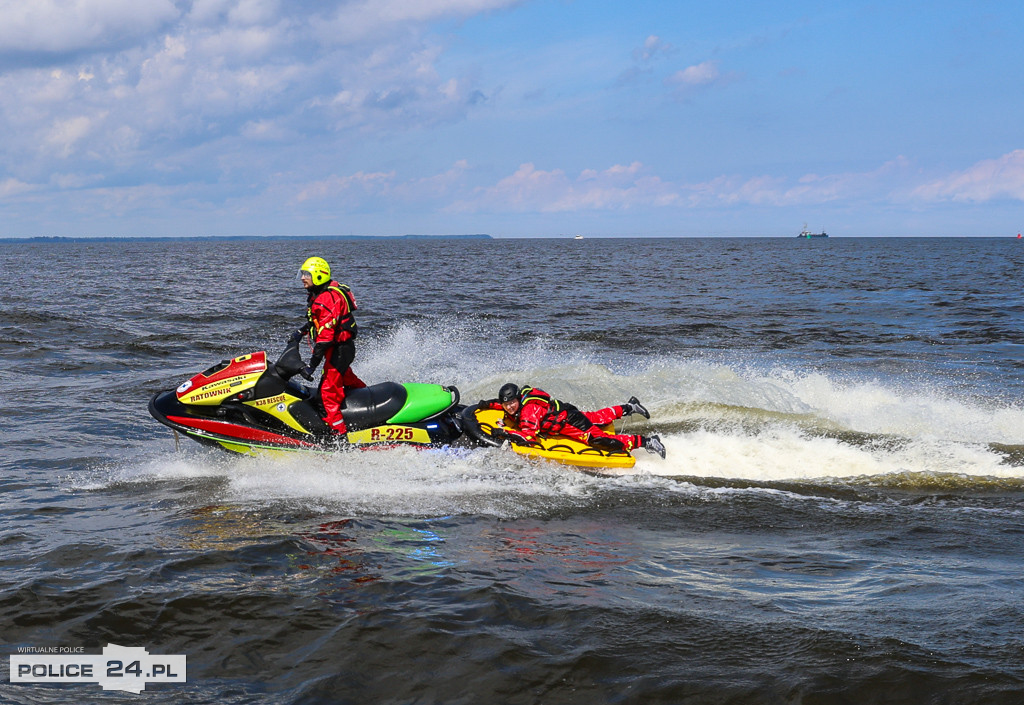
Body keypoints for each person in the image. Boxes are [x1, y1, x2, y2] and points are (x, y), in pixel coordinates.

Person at [486, 383, 666, 458]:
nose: (509, 407)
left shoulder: (528, 412)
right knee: (596, 418)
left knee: (600, 439)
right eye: (506, 404)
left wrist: (504, 433)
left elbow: (529, 438)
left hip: (569, 422)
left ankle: (648, 441)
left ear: (518, 398)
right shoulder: (517, 403)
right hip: (564, 411)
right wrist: (485, 404)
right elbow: (500, 404)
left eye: (512, 403)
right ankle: (630, 407)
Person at [291, 256, 366, 436]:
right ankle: (367, 396)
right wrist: (301, 332)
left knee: (326, 396)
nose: (303, 278)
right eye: (302, 274)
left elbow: (325, 337)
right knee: (346, 378)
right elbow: (318, 320)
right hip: (341, 348)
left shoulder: (327, 299)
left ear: (318, 276)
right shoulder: (321, 294)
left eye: (307, 274)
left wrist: (312, 366)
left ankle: (338, 436)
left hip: (338, 350)